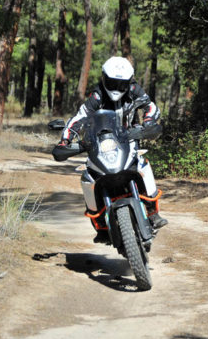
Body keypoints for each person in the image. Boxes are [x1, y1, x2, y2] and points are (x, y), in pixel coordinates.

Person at [58, 56, 168, 242]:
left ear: (129, 81)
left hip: (129, 139)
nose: (117, 88)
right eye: (112, 82)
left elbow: (151, 107)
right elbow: (79, 117)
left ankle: (152, 211)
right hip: (102, 143)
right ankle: (99, 222)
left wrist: (147, 124)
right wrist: (65, 141)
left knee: (142, 164)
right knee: (89, 175)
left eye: (121, 83)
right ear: (104, 79)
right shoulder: (97, 96)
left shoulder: (134, 90)